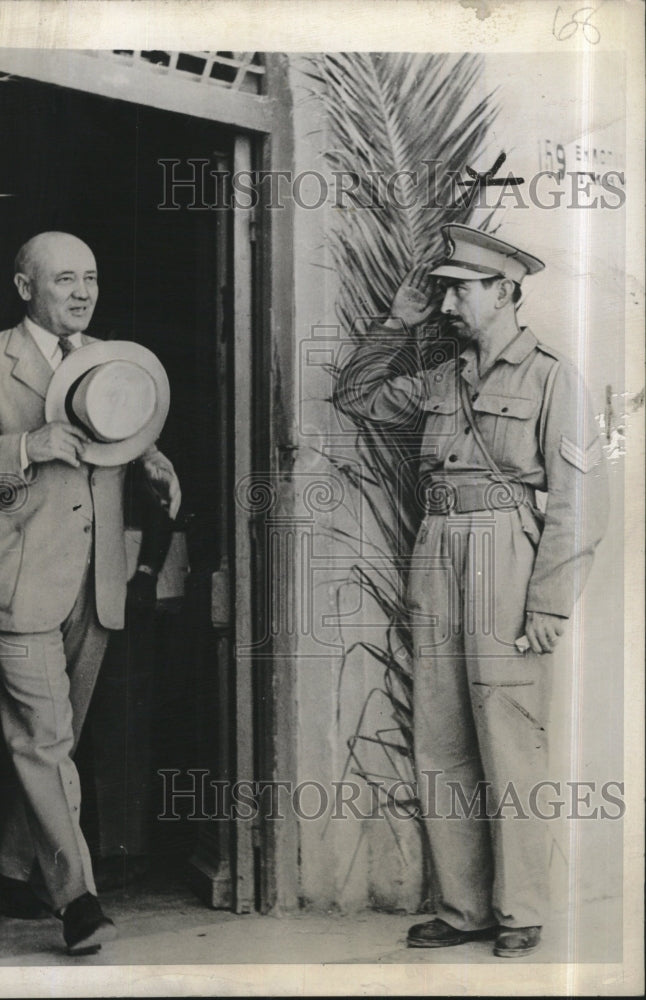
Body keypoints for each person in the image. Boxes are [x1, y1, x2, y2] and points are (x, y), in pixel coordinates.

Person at [334, 224, 608, 958]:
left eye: (461, 287)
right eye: (446, 287)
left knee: (509, 737)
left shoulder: (553, 377)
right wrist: (398, 322)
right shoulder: (441, 377)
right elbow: (355, 395)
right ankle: (463, 910)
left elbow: (582, 503)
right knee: (443, 736)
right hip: (438, 551)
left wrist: (548, 603)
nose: (449, 300)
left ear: (505, 292)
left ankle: (519, 910)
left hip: (504, 558)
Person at [0, 231, 181, 955]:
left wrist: (153, 461)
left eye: (91, 278)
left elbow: (121, 437)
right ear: (23, 286)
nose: (81, 291)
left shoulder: (108, 361)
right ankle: (78, 900)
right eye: (64, 279)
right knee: (42, 738)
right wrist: (22, 449)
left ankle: (7, 865)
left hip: (93, 584)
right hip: (16, 581)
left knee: (53, 741)